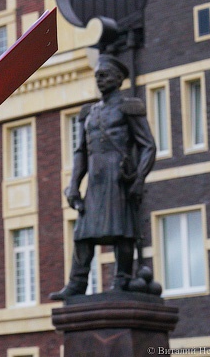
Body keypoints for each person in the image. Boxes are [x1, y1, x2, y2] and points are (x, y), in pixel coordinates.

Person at [50, 54, 155, 299]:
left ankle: (122, 280)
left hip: (118, 176)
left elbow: (148, 145)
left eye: (104, 75)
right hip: (95, 180)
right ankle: (77, 283)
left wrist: (139, 178)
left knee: (123, 232)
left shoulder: (129, 107)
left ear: (118, 79)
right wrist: (74, 184)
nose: (99, 80)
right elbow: (81, 152)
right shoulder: (88, 113)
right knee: (83, 234)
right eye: (97, 76)